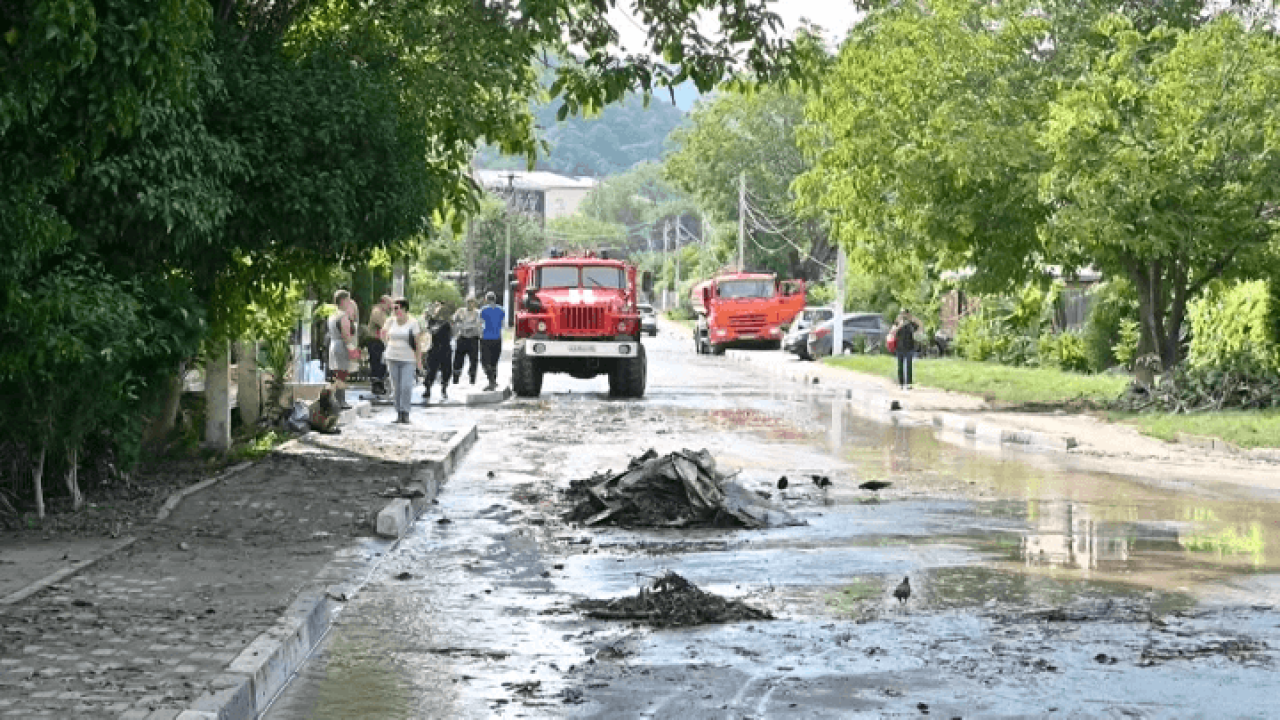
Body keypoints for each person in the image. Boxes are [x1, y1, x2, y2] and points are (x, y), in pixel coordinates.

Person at [381, 298, 423, 423]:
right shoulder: (390, 321)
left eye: (397, 308)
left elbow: (417, 342)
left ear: (404, 309)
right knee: (396, 387)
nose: (394, 311)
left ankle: (406, 412)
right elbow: (383, 333)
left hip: (408, 358)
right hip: (392, 357)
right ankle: (399, 412)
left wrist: (419, 360)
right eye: (393, 308)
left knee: (406, 386)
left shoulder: (412, 323)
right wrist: (386, 342)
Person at [327, 289, 359, 409]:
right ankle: (340, 400)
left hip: (333, 344)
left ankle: (338, 399)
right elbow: (346, 335)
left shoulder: (332, 315)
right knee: (342, 373)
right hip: (341, 346)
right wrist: (352, 349)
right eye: (348, 300)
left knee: (337, 373)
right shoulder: (343, 316)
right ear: (343, 300)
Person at [423, 302, 453, 402]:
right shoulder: (431, 321)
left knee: (446, 371)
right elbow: (428, 331)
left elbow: (449, 333)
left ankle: (444, 388)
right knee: (431, 370)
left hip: (445, 349)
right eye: (437, 308)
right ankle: (428, 388)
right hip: (434, 348)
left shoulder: (446, 322)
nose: (438, 310)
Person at [451, 295, 482, 385]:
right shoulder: (461, 311)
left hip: (473, 339)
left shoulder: (477, 313)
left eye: (472, 302)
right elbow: (453, 321)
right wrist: (456, 330)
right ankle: (455, 379)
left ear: (474, 303)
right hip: (462, 338)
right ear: (466, 302)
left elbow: (479, 324)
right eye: (468, 302)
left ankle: (472, 379)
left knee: (474, 360)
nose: (470, 304)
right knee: (458, 360)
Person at [365, 295, 392, 396]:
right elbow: (384, 326)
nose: (390, 306)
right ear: (383, 302)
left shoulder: (382, 312)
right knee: (377, 364)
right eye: (389, 304)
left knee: (381, 364)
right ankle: (376, 386)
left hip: (379, 341)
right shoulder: (377, 312)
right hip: (375, 341)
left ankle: (380, 385)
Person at [479, 291, 505, 391]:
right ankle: (494, 381)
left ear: (486, 299)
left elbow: (480, 324)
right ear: (495, 299)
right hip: (498, 338)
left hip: (486, 338)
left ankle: (491, 382)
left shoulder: (483, 310)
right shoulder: (501, 309)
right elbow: (502, 325)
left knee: (485, 361)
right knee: (494, 361)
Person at [891, 310, 920, 390]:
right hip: (899, 347)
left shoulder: (910, 324)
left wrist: (911, 319)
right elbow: (893, 332)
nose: (904, 315)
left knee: (909, 366)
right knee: (900, 366)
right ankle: (901, 383)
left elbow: (919, 327)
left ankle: (909, 383)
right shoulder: (897, 323)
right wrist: (900, 324)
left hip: (909, 347)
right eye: (902, 313)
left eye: (905, 313)